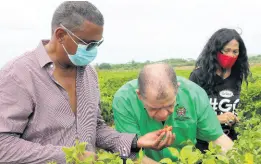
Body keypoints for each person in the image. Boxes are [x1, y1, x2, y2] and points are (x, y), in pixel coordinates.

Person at [0, 2, 173, 163]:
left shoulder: (88, 73)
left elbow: (95, 128)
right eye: (87, 44)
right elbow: (3, 145)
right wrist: (70, 156)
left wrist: (136, 141)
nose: (93, 51)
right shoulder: (18, 75)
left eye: (97, 44)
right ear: (60, 35)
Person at [112, 63, 234, 162]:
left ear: (177, 89)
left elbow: (217, 137)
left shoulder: (194, 95)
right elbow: (132, 155)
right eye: (154, 108)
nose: (163, 115)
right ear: (139, 95)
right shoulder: (125, 100)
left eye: (170, 105)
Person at [189, 28, 250, 153]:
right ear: (215, 50)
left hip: (229, 139)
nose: (231, 55)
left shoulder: (236, 76)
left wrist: (234, 118)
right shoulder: (198, 76)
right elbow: (186, 115)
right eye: (226, 50)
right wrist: (217, 118)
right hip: (203, 145)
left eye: (235, 52)